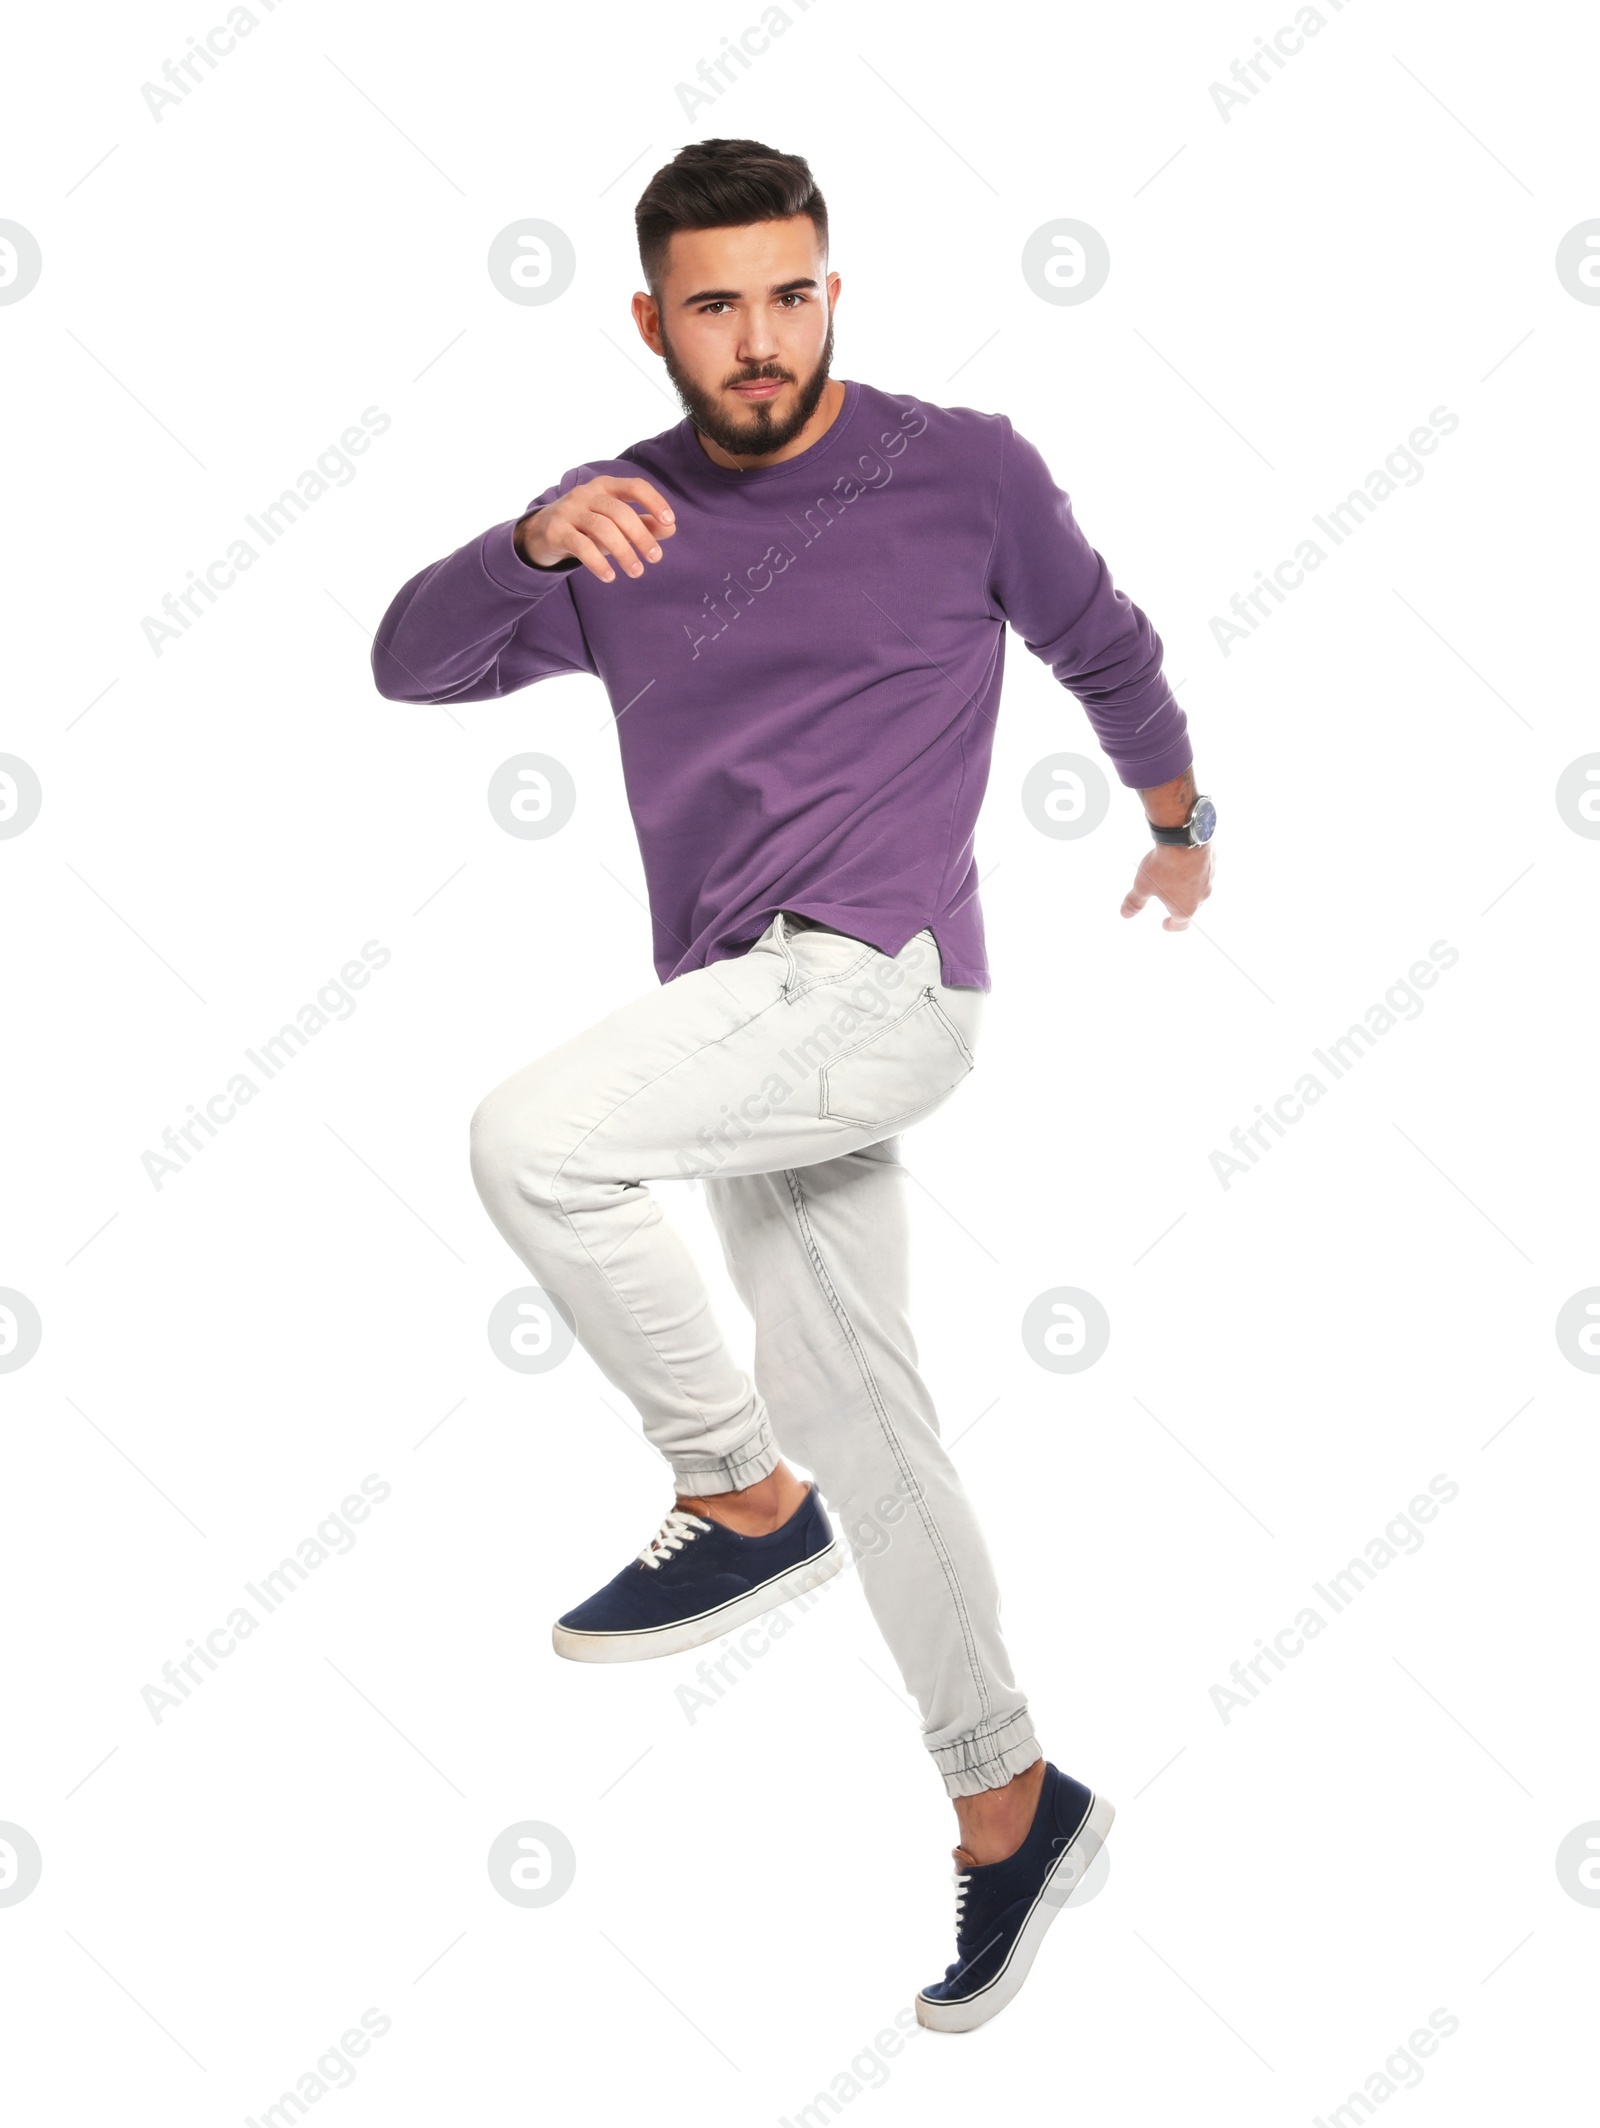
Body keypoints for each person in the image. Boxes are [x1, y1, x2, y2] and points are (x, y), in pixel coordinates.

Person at [371, 136, 1215, 2031]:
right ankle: (1013, 1796)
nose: (758, 339)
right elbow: (406, 670)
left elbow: (1108, 649)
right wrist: (523, 540)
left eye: (790, 292)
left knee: (535, 1144)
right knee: (874, 1414)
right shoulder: (619, 528)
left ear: (835, 287)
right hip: (749, 1025)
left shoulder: (960, 469)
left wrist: (1180, 820)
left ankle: (735, 1501)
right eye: (716, 304)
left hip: (878, 984)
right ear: (654, 319)